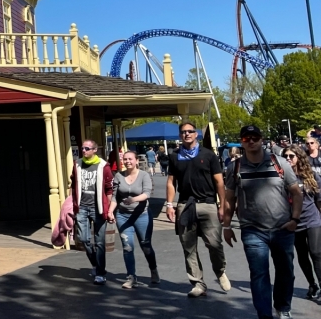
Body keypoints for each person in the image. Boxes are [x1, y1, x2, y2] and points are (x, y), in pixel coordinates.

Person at [223, 124, 302, 319]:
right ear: (242, 142)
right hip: (252, 229)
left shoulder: (279, 163)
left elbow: (296, 193)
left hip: (282, 227)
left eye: (255, 137)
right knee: (259, 274)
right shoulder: (235, 167)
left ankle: (283, 307)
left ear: (261, 139)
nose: (251, 141)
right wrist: (227, 226)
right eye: (246, 138)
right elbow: (229, 199)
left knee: (286, 271)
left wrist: (295, 219)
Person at [166, 121, 230, 297]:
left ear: (196, 134)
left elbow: (219, 182)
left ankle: (220, 271)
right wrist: (169, 204)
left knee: (214, 244)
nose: (186, 134)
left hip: (207, 203)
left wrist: (222, 205)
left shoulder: (208, 155)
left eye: (190, 131)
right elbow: (171, 182)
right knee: (188, 247)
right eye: (183, 132)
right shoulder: (174, 156)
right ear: (180, 135)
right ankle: (198, 283)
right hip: (185, 204)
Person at [108, 150, 160, 288]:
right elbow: (114, 196)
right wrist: (110, 211)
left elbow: (147, 194)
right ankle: (131, 277)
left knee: (146, 245)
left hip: (141, 215)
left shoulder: (144, 175)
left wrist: (133, 199)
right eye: (125, 159)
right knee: (127, 247)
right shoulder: (118, 176)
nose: (127, 161)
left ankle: (153, 270)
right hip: (123, 216)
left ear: (136, 161)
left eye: (130, 159)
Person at [71, 139, 115, 285]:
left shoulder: (103, 166)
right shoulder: (77, 164)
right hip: (82, 207)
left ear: (95, 150)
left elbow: (109, 189)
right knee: (83, 239)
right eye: (83, 148)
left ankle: (100, 273)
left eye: (87, 148)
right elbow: (73, 184)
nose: (84, 151)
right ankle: (96, 264)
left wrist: (109, 209)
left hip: (98, 208)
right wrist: (72, 203)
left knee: (100, 242)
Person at [285, 145, 321, 302]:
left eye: (291, 156)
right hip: (294, 223)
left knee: (316, 253)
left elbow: (319, 200)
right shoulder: (282, 177)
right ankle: (312, 285)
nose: (288, 159)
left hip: (312, 220)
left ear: (299, 158)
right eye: (286, 156)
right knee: (302, 255)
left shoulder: (311, 175)